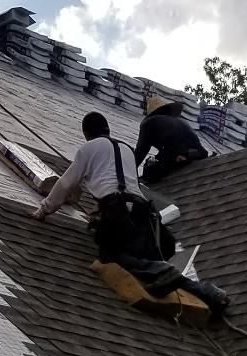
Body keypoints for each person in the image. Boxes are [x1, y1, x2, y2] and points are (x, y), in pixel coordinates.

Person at [31, 111, 229, 314]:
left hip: (118, 212)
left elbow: (65, 184)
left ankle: (164, 272)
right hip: (143, 213)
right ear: (107, 129)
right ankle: (209, 293)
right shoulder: (126, 149)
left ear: (86, 133)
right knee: (146, 257)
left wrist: (44, 210)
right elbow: (124, 184)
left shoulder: (88, 149)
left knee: (113, 255)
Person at [135, 96, 209, 184]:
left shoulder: (148, 123)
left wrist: (128, 170)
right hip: (199, 153)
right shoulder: (180, 121)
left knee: (150, 169)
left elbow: (140, 151)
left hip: (179, 155)